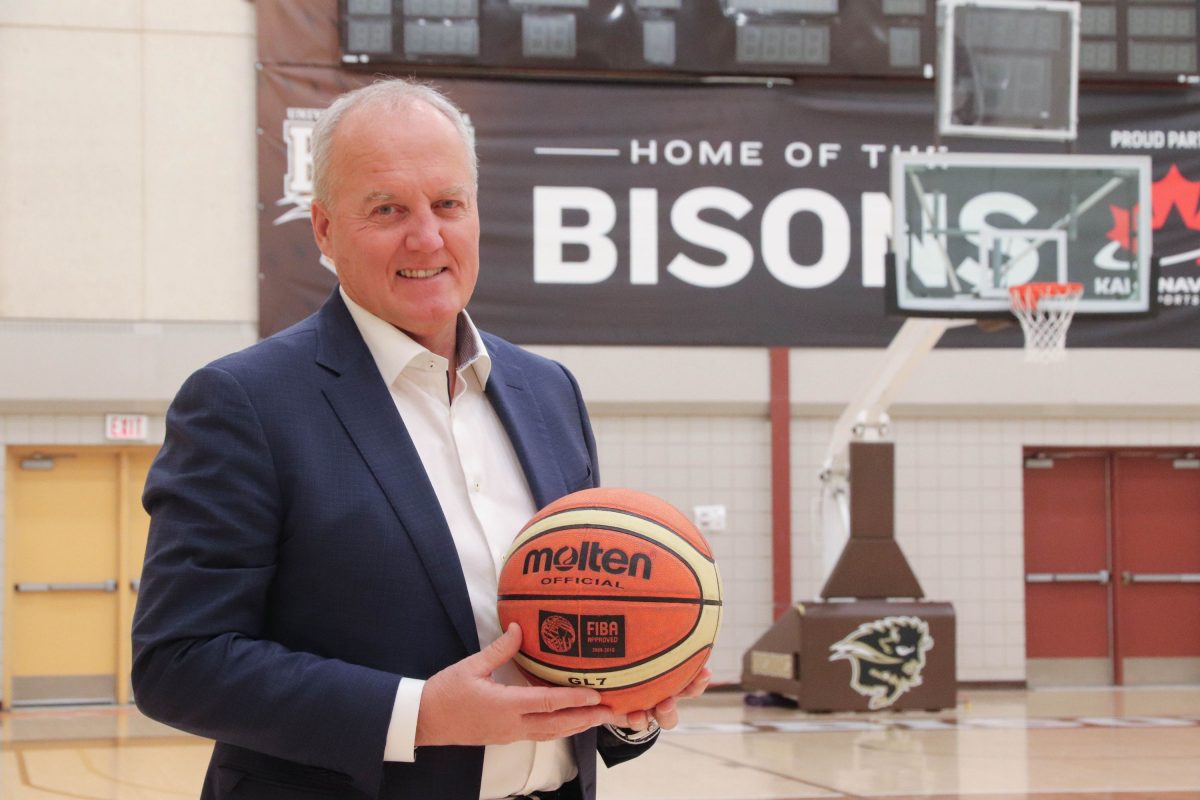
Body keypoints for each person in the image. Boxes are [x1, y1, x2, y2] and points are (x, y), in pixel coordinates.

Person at [131, 77, 709, 800]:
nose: (427, 237)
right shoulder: (243, 402)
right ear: (324, 229)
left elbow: (567, 624)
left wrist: (628, 700)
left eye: (448, 204)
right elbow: (178, 662)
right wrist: (419, 716)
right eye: (387, 209)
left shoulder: (548, 391)